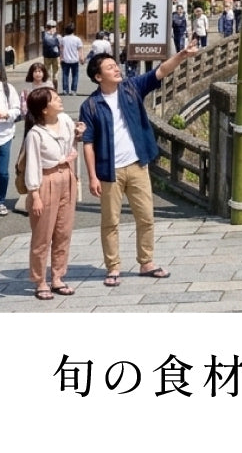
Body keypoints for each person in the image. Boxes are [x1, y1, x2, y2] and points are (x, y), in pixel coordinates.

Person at [80, 41, 199, 286]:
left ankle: (147, 262)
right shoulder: (90, 105)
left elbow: (161, 71)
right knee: (110, 221)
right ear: (97, 76)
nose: (116, 69)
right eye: (110, 67)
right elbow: (88, 143)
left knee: (146, 216)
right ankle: (113, 267)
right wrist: (91, 176)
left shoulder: (131, 88)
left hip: (137, 165)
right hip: (108, 170)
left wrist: (182, 55)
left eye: (116, 65)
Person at [23, 86, 86, 299]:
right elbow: (32, 164)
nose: (60, 100)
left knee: (63, 231)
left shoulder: (66, 121)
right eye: (55, 99)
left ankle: (58, 277)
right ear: (44, 109)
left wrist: (78, 134)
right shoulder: (35, 134)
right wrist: (35, 195)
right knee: (42, 236)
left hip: (67, 177)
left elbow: (70, 146)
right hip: (45, 181)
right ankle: (40, 281)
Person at [0, 64, 22, 216]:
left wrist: (6, 114)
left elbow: (17, 109)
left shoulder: (8, 89)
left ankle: (0, 201)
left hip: (4, 135)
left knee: (2, 173)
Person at [59, 23, 83, 96]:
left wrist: (60, 58)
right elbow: (80, 49)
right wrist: (81, 58)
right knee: (75, 75)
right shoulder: (77, 39)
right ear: (73, 31)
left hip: (65, 59)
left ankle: (65, 90)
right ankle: (73, 90)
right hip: (75, 60)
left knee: (65, 75)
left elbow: (61, 49)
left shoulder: (63, 39)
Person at [41, 20, 61, 85]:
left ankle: (48, 88)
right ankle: (55, 89)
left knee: (47, 73)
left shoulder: (44, 35)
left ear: (47, 27)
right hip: (56, 56)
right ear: (55, 27)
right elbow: (60, 45)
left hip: (46, 56)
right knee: (56, 74)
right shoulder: (58, 36)